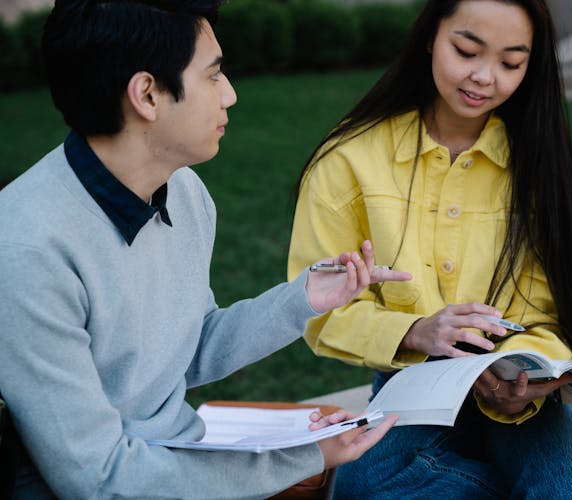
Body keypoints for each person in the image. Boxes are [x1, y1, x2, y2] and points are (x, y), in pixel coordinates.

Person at [0, 0, 410, 498]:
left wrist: (303, 299)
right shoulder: (27, 250)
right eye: (213, 75)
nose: (231, 95)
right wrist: (296, 460)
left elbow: (184, 350)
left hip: (175, 459)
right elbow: (99, 479)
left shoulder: (186, 193)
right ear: (147, 94)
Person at [288, 0, 572, 498]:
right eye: (466, 50)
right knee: (366, 486)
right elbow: (315, 308)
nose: (484, 77)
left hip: (520, 380)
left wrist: (521, 382)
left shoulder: (539, 166)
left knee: (564, 486)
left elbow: (548, 310)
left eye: (510, 63)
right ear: (429, 37)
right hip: (414, 377)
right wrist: (415, 330)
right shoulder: (350, 160)